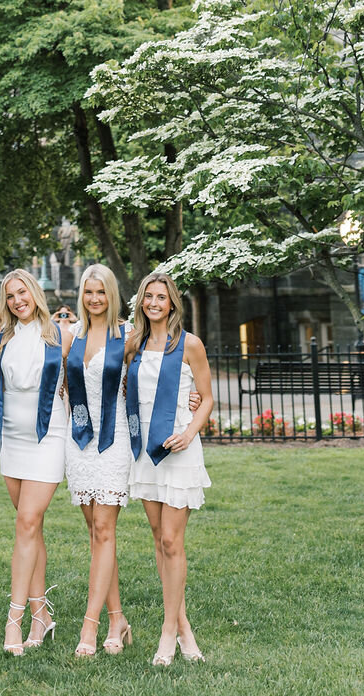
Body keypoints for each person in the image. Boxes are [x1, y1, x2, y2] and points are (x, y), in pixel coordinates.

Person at [125, 271, 213, 668]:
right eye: (148, 296)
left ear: (172, 302)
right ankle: (183, 627)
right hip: (145, 450)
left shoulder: (189, 344)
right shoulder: (134, 344)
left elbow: (208, 398)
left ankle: (167, 631)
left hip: (179, 447)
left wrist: (190, 430)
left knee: (173, 542)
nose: (154, 303)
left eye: (161, 297)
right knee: (159, 539)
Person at [0, 269, 70, 655]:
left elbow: (94, 376)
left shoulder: (61, 335)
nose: (16, 301)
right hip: (13, 441)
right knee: (31, 527)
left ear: (34, 292)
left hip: (48, 437)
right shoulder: (5, 337)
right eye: (9, 296)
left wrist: (189, 396)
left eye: (21, 292)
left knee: (26, 523)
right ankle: (41, 614)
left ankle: (15, 619)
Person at [63, 263, 133, 658]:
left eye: (101, 292)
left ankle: (90, 629)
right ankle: (116, 619)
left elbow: (153, 377)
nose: (94, 299)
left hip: (114, 439)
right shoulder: (71, 337)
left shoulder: (128, 336)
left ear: (112, 295)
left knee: (104, 530)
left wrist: (191, 398)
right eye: (88, 292)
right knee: (96, 534)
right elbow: (59, 388)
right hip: (80, 443)